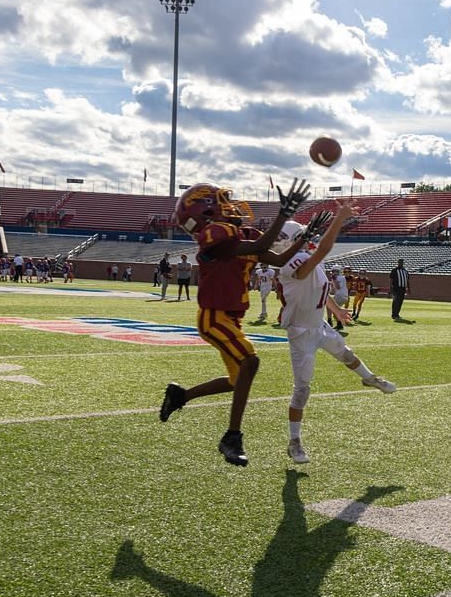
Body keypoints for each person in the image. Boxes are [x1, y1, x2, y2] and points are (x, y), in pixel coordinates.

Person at [158, 179, 311, 467]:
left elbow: (277, 258)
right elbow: (264, 244)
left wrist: (305, 237)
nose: (231, 205)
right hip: (213, 316)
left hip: (231, 319)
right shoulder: (214, 236)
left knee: (235, 380)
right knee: (250, 363)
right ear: (206, 213)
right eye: (221, 201)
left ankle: (181, 396)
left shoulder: (236, 236)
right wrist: (283, 213)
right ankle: (232, 437)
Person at [276, 203, 395, 464]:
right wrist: (339, 219)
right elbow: (322, 251)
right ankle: (294, 441)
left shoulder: (305, 260)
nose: (309, 239)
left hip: (318, 323)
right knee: (302, 390)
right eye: (303, 237)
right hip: (301, 332)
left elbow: (320, 288)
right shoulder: (290, 262)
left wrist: (337, 309)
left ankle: (370, 378)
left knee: (346, 353)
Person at [327, 265, 349, 330]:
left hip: (341, 296)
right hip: (341, 296)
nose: (334, 272)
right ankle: (339, 324)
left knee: (329, 305)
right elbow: (333, 290)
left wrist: (333, 280)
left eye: (335, 271)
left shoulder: (340, 278)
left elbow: (338, 287)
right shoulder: (338, 278)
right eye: (333, 271)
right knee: (335, 311)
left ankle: (329, 321)